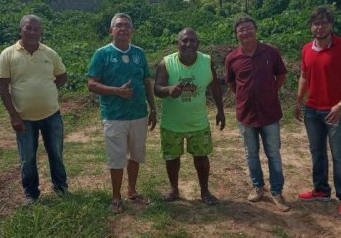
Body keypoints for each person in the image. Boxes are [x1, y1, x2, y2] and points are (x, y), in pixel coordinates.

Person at [295, 6, 341, 216]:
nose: (320, 27)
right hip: (312, 110)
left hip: (337, 111)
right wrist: (298, 101)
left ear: (331, 25)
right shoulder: (307, 49)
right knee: (317, 152)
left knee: (340, 155)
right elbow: (304, 77)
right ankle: (321, 190)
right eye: (316, 23)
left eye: (324, 22)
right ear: (311, 26)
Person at [0, 14, 69, 205]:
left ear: (41, 32)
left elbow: (62, 76)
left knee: (56, 154)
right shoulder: (8, 54)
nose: (33, 32)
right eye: (29, 28)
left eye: (36, 29)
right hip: (24, 118)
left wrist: (48, 89)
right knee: (27, 158)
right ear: (20, 30)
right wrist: (14, 115)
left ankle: (61, 189)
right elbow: (2, 86)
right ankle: (31, 195)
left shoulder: (49, 53)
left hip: (51, 114)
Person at [87, 13, 157, 213]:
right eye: (119, 26)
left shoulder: (139, 53)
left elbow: (146, 82)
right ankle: (116, 196)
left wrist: (152, 108)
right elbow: (91, 84)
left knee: (136, 154)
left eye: (127, 25)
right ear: (111, 31)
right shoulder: (102, 54)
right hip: (114, 116)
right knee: (116, 157)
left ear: (132, 31)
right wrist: (117, 91)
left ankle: (132, 191)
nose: (123, 29)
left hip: (138, 114)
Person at [225, 16, 290, 212]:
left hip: (269, 113)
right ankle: (258, 187)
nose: (245, 32)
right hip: (246, 114)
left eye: (249, 28)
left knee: (273, 154)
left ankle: (277, 192)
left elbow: (281, 76)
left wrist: (269, 92)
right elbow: (231, 83)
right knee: (250, 153)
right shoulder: (232, 58)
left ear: (256, 30)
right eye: (241, 30)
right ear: (236, 34)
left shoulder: (271, 52)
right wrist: (246, 96)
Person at [154, 28, 225, 205]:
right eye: (184, 41)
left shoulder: (206, 61)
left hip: (198, 122)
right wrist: (169, 90)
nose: (188, 44)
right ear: (178, 43)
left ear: (198, 44)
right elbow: (157, 89)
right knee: (172, 158)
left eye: (192, 41)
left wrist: (221, 110)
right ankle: (174, 189)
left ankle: (205, 191)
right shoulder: (166, 63)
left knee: (201, 158)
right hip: (172, 123)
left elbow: (215, 86)